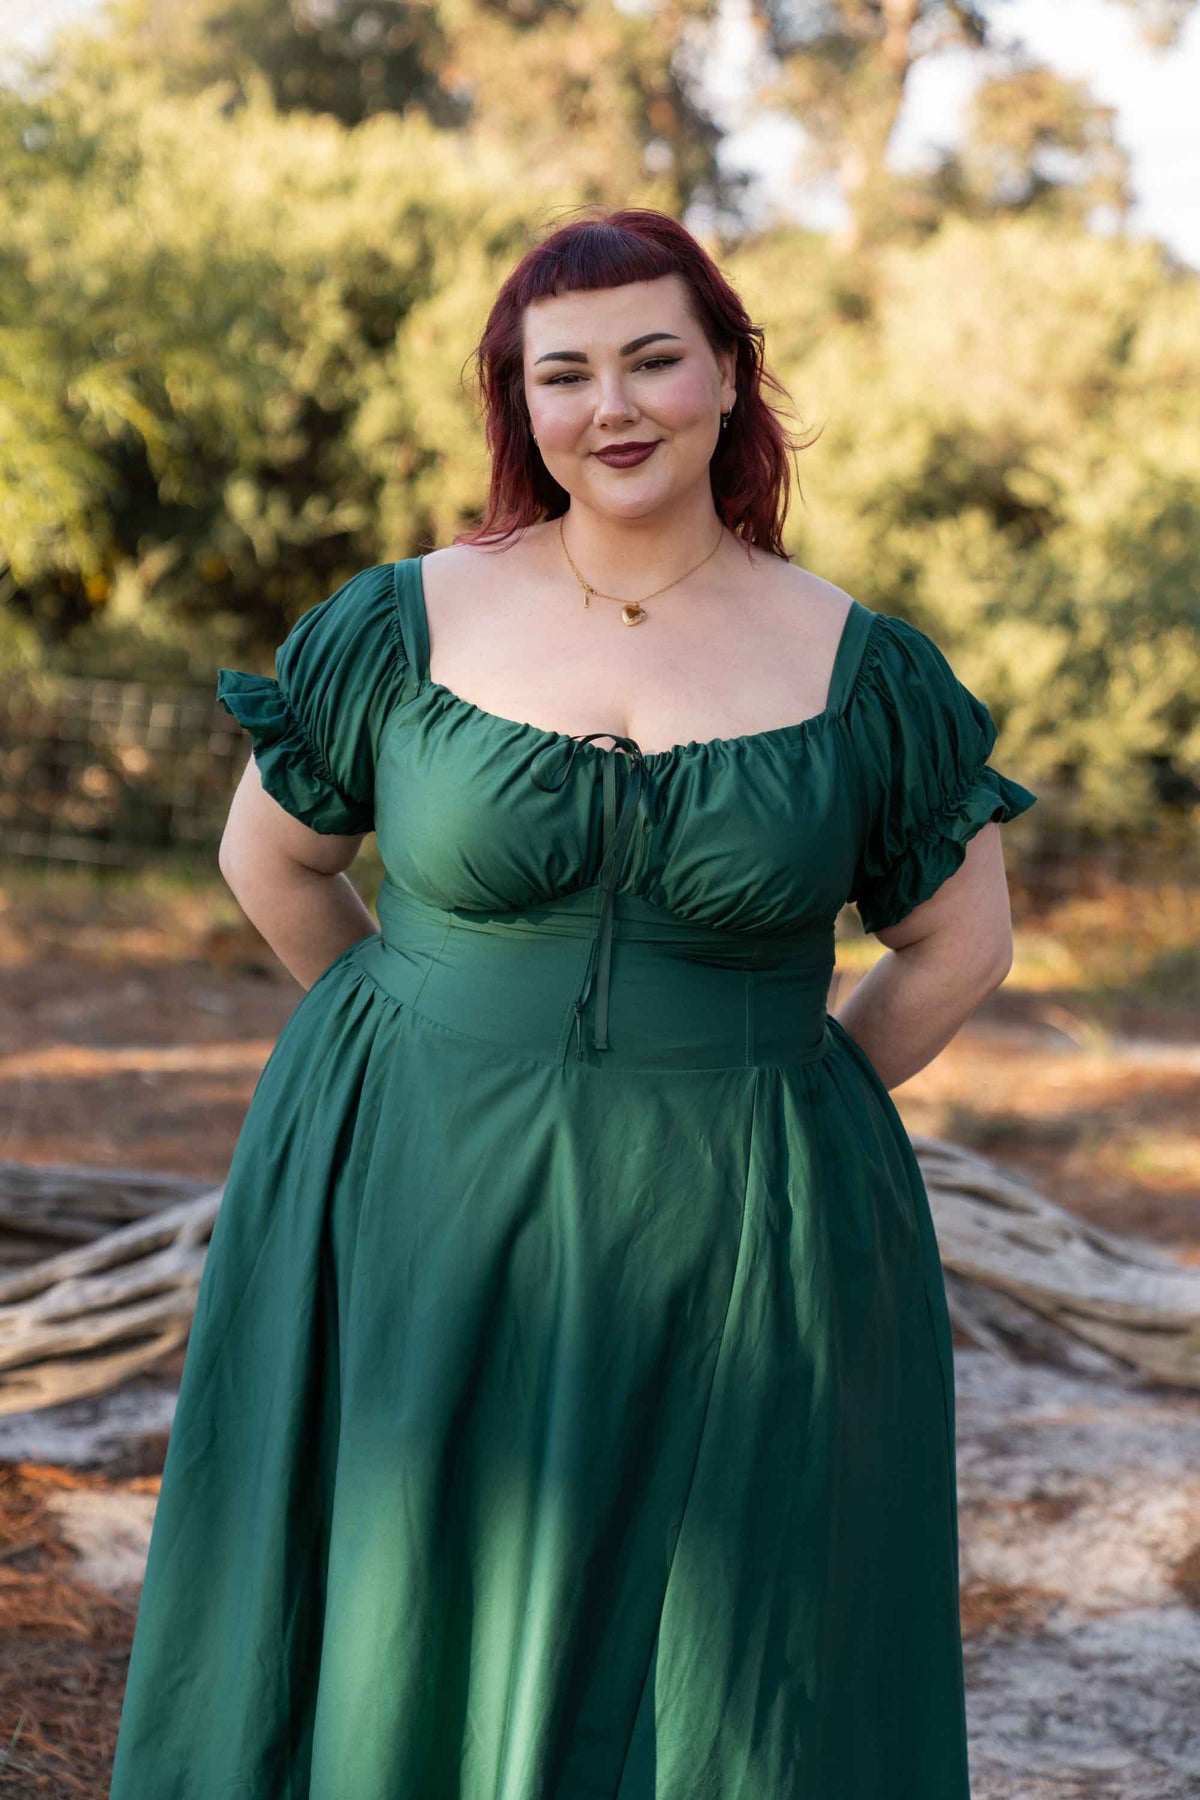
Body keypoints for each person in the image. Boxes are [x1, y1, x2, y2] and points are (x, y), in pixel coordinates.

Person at [108, 206, 1036, 1799]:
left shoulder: (861, 666)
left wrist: (785, 1101)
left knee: (716, 1633)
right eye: (565, 374)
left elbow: (960, 945)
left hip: (731, 1229)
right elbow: (273, 861)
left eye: (654, 360)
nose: (613, 407)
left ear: (730, 376)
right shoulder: (403, 620)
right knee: (408, 1595)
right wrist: (416, 1045)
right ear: (518, 402)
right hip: (414, 1191)